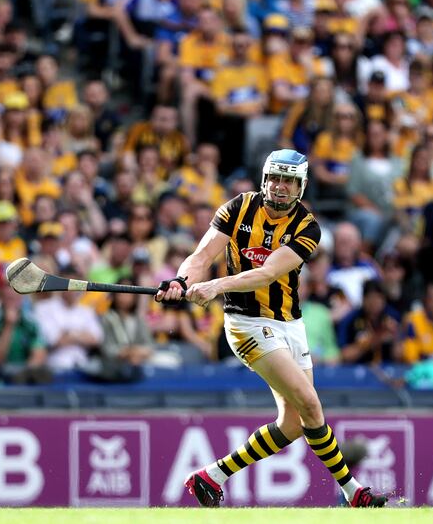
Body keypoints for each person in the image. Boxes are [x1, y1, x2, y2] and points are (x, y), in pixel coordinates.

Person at [157, 150, 387, 508]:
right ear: (264, 180)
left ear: (302, 186)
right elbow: (201, 257)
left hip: (291, 324)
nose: (280, 187)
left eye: (289, 181)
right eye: (275, 178)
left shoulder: (308, 227)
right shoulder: (237, 208)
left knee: (294, 424)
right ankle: (353, 491)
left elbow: (267, 273)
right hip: (247, 325)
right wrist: (179, 280)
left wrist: (216, 286)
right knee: (312, 405)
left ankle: (212, 475)